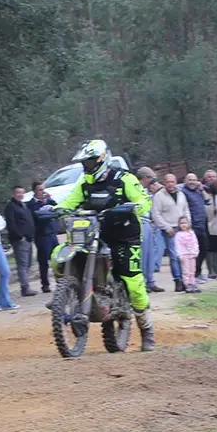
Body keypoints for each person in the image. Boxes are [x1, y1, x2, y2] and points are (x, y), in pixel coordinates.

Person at [54, 139, 156, 351]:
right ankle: (66, 295)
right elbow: (70, 202)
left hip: (125, 235)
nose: (87, 166)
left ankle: (147, 330)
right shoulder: (85, 183)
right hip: (95, 233)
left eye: (90, 162)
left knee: (133, 281)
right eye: (85, 163)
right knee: (59, 255)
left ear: (102, 159)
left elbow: (144, 200)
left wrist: (132, 207)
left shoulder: (124, 178)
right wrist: (54, 209)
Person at [151, 173, 190, 293]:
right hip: (170, 229)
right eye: (168, 182)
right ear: (164, 182)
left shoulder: (181, 194)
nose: (170, 184)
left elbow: (186, 209)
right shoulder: (159, 196)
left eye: (172, 182)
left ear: (176, 182)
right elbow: (156, 214)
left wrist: (188, 224)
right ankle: (177, 280)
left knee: (183, 256)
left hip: (182, 228)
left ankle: (186, 280)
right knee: (174, 256)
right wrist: (166, 227)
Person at [134, 167, 166, 293]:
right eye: (151, 178)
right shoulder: (136, 189)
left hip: (149, 223)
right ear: (145, 178)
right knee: (142, 254)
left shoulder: (147, 191)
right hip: (140, 222)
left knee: (150, 254)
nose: (152, 182)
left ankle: (150, 281)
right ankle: (143, 283)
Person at [4, 186, 38, 297]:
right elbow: (11, 224)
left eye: (22, 193)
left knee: (28, 263)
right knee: (22, 264)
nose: (20, 195)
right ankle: (25, 288)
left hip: (28, 239)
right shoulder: (11, 207)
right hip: (20, 240)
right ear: (13, 194)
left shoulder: (23, 205)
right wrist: (20, 236)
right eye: (18, 193)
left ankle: (26, 285)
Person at [27, 181, 60, 294]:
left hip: (52, 234)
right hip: (41, 235)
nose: (43, 192)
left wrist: (50, 200)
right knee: (43, 261)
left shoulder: (48, 201)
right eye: (40, 190)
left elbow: (57, 209)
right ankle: (45, 285)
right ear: (34, 191)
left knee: (57, 259)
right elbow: (38, 216)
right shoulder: (31, 204)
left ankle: (60, 282)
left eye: (43, 189)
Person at [182, 172, 211, 283]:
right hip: (192, 226)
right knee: (192, 253)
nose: (192, 182)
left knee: (203, 250)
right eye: (190, 180)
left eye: (194, 180)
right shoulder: (183, 192)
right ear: (185, 181)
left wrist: (202, 189)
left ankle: (198, 272)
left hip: (202, 225)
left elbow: (208, 201)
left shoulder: (199, 191)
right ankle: (192, 275)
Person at [175, 216, 201, 293]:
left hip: (192, 255)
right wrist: (180, 255)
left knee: (192, 270)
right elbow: (178, 246)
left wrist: (196, 251)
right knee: (186, 271)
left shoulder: (192, 233)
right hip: (184, 255)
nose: (183, 225)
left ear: (189, 224)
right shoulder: (178, 235)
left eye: (185, 223)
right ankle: (187, 284)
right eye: (181, 223)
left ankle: (193, 283)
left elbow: (195, 243)